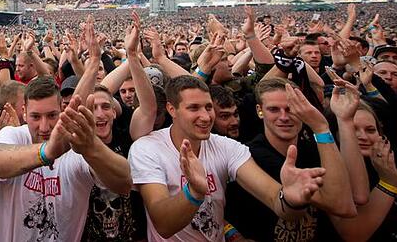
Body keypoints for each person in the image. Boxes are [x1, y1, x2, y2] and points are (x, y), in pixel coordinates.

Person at [128, 75, 338, 241]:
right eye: (194, 108)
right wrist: (194, 192)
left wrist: (291, 201)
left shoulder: (227, 147)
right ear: (172, 109)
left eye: (208, 107)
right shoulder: (147, 149)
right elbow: (163, 224)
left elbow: (277, 201)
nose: (206, 116)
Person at [0, 77, 132, 241]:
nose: (44, 127)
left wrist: (92, 148)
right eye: (36, 117)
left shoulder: (76, 147)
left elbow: (123, 182)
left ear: (62, 109)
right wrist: (47, 152)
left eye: (52, 115)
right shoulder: (15, 134)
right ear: (24, 112)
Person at [224, 77, 355, 241]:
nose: (284, 117)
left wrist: (345, 120)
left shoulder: (315, 149)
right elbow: (341, 205)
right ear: (260, 110)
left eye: (290, 109)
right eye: (274, 109)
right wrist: (320, 127)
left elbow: (355, 200)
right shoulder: (249, 155)